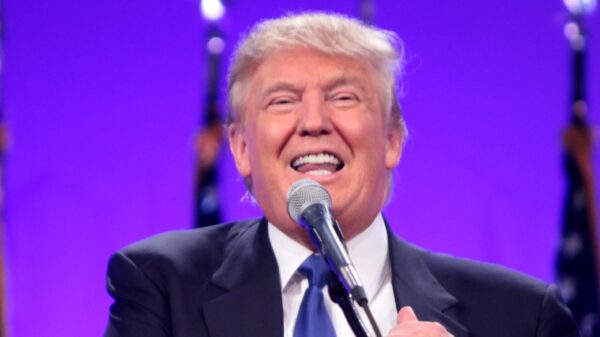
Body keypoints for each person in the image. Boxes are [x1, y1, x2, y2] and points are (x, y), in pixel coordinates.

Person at [104, 12, 580, 337]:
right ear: (242, 148)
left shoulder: (520, 316)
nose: (314, 122)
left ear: (393, 139)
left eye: (344, 97)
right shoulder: (162, 285)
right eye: (283, 101)